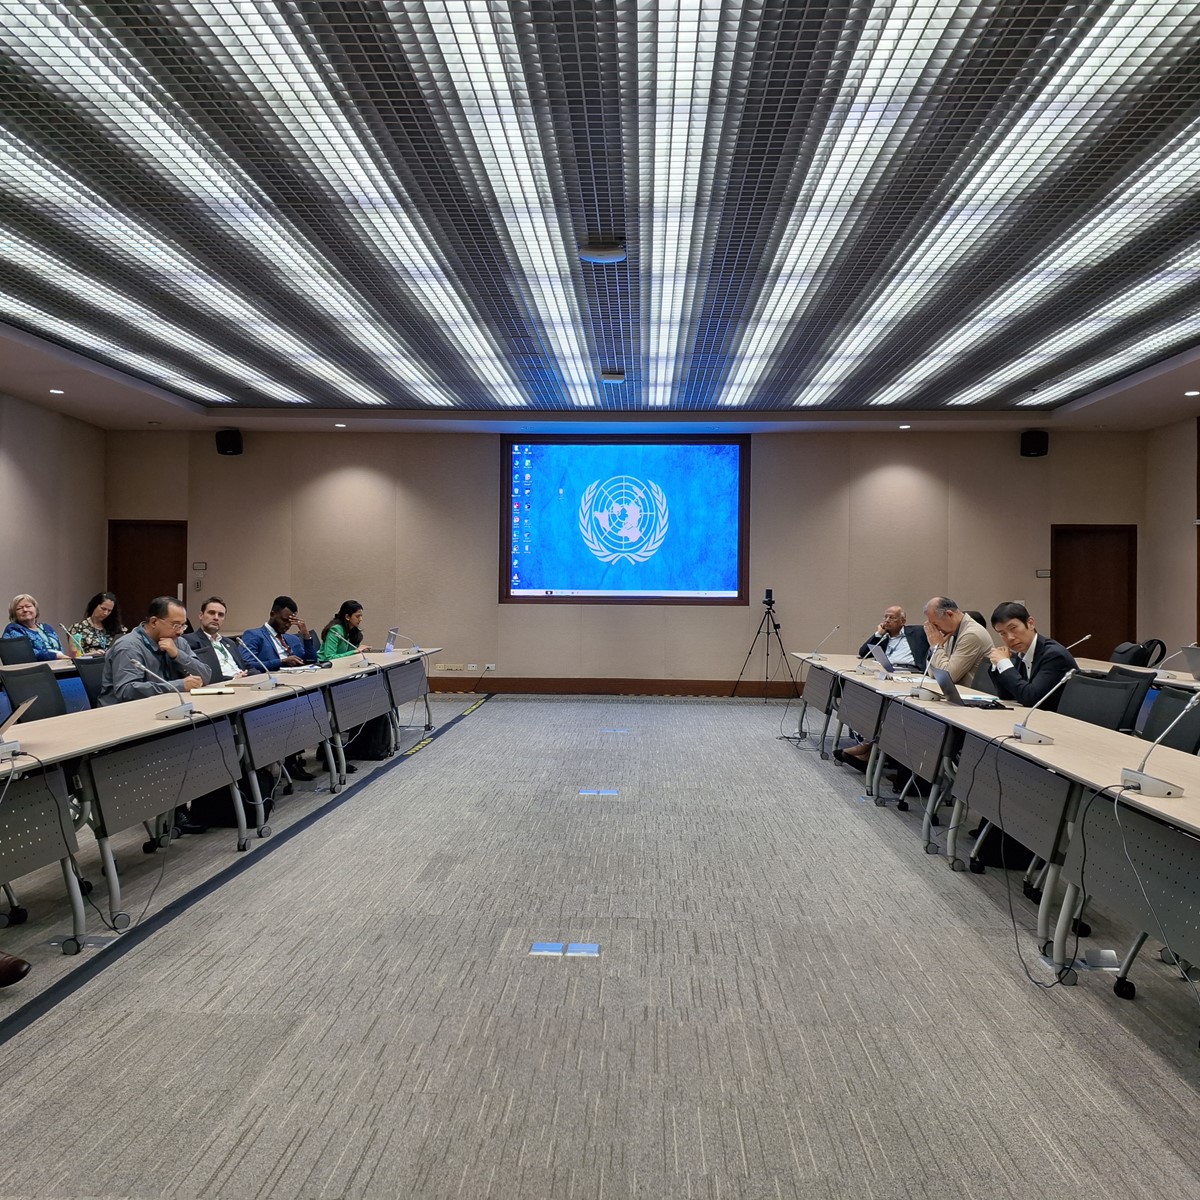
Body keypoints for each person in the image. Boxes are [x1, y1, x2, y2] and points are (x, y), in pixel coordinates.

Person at [97, 596, 210, 706]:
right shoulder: (128, 647)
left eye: (183, 625)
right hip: (123, 713)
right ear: (154, 622)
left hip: (165, 706)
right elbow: (126, 691)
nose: (180, 632)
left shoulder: (178, 642)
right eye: (175, 625)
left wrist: (178, 655)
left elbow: (205, 676)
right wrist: (179, 685)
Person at [987, 601, 1077, 708]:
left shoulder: (1054, 655)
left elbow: (1031, 699)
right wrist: (998, 664)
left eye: (1013, 628)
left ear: (1030, 623)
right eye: (1003, 633)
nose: (1010, 637)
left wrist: (1005, 663)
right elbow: (1007, 695)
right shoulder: (1021, 654)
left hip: (1058, 720)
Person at [923, 596, 993, 684]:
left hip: (973, 694)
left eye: (936, 625)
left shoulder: (971, 634)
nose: (937, 630)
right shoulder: (951, 631)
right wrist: (934, 647)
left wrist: (936, 646)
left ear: (949, 614)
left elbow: (947, 677)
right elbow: (932, 673)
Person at [240, 596, 318, 671]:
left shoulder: (293, 639)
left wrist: (306, 635)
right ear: (272, 614)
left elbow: (311, 661)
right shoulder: (253, 635)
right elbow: (247, 664)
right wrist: (281, 662)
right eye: (284, 620)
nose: (288, 625)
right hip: (273, 680)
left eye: (290, 622)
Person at [183, 596, 249, 682]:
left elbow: (245, 666)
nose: (216, 618)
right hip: (220, 686)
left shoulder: (230, 643)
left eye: (221, 615)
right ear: (201, 615)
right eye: (211, 613)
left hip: (243, 682)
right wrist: (233, 679)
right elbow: (203, 674)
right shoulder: (189, 641)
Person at [857, 605, 929, 672]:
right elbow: (863, 653)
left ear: (902, 621)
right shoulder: (883, 638)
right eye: (885, 617)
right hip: (886, 671)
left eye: (892, 617)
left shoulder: (918, 632)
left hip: (910, 671)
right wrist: (878, 634)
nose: (887, 620)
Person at [3, 594, 67, 660]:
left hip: (58, 666)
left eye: (28, 606)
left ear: (36, 609)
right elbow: (25, 653)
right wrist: (55, 656)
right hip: (33, 668)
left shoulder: (47, 628)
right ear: (14, 614)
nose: (25, 610)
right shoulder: (13, 629)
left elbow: (60, 650)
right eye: (19, 608)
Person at [64, 591, 126, 656]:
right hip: (88, 664)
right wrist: (91, 654)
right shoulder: (77, 628)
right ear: (94, 606)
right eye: (103, 609)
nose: (106, 613)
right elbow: (74, 656)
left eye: (109, 611)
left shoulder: (117, 628)